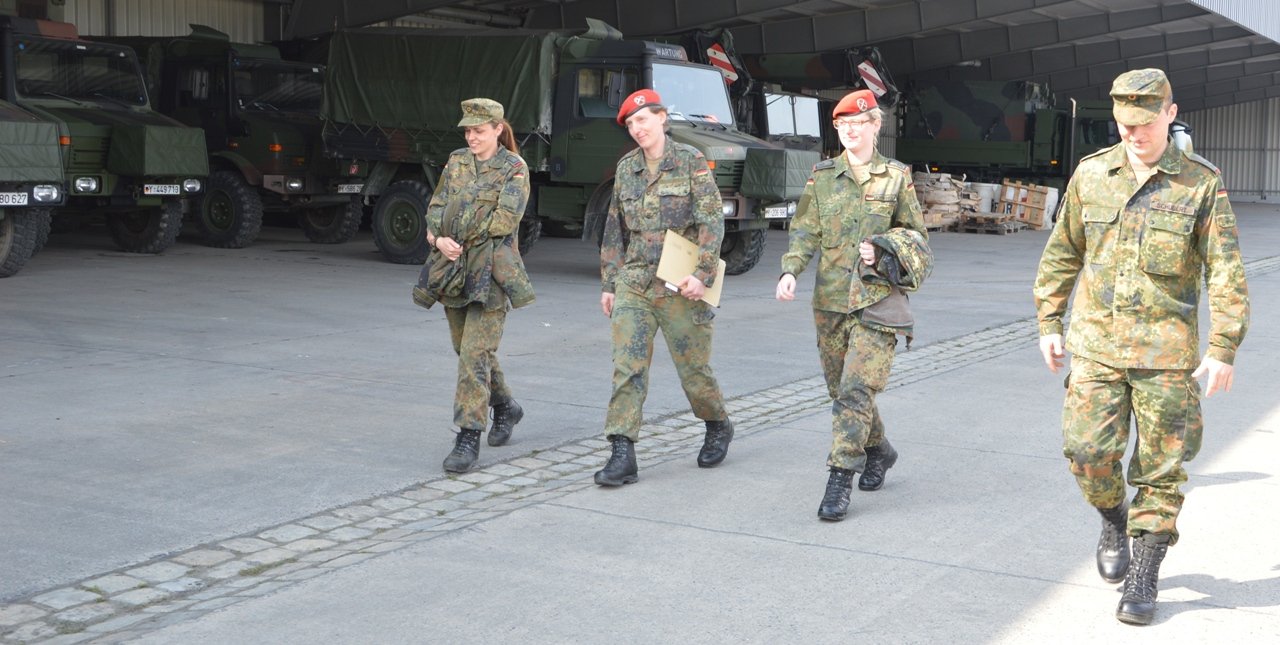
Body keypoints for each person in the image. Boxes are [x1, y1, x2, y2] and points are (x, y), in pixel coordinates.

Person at [1033, 68, 1249, 625]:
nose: (1135, 134)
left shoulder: (1198, 182)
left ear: (1169, 114)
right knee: (1086, 454)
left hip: (1167, 358)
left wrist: (1223, 346)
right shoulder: (1091, 175)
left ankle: (1145, 569)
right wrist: (1049, 321)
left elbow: (1225, 271)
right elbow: (1063, 253)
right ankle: (1112, 517)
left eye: (1146, 123)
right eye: (1125, 124)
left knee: (1162, 470)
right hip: (1097, 349)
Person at [775, 89, 928, 522]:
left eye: (859, 125)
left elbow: (917, 237)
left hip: (877, 303)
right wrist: (790, 271)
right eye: (843, 126)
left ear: (876, 126)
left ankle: (840, 476)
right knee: (842, 392)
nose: (850, 132)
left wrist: (883, 250)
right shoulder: (823, 177)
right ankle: (879, 450)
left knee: (856, 391)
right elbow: (804, 232)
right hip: (830, 302)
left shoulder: (896, 177)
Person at [594, 89, 734, 486]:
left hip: (680, 283)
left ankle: (717, 422)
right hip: (635, 282)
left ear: (661, 118)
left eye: (643, 120)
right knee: (627, 368)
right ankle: (622, 452)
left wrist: (702, 274)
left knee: (693, 369)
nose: (637, 129)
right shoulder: (626, 169)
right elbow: (614, 227)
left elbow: (711, 222)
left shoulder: (690, 162)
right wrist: (609, 283)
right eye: (631, 124)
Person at [424, 98, 535, 474]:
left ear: (498, 129)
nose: (472, 137)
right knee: (466, 349)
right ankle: (505, 405)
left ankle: (467, 434)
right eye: (468, 131)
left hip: (492, 271)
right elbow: (437, 206)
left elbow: (504, 220)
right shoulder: (456, 162)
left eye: (479, 130)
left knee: (474, 354)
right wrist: (439, 238)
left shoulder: (514, 168)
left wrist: (455, 232)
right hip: (454, 268)